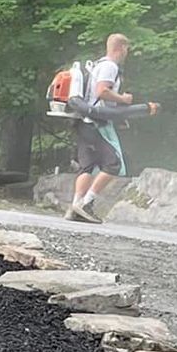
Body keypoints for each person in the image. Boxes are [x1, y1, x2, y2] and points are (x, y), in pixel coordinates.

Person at [66, 34, 160, 224]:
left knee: (87, 166)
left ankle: (74, 207)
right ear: (121, 48)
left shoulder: (98, 64)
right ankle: (86, 203)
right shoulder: (110, 66)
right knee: (113, 164)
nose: (127, 53)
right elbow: (102, 91)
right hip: (97, 124)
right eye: (127, 49)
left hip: (84, 121)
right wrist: (123, 100)